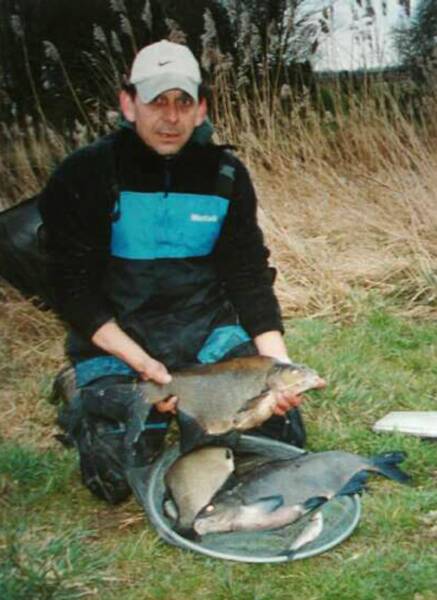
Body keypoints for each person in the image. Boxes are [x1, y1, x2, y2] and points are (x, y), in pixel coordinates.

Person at [39, 40, 310, 504]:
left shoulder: (226, 175)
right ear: (128, 104)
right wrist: (145, 369)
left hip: (204, 333)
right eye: (156, 101)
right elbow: (72, 289)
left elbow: (248, 275)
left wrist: (277, 370)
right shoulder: (84, 174)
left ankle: (186, 404)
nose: (170, 117)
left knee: (284, 443)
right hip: (122, 338)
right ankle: (79, 386)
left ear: (201, 109)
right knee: (114, 481)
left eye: (183, 102)